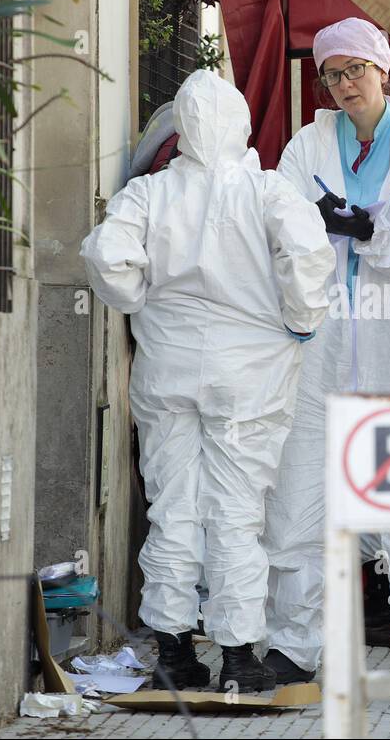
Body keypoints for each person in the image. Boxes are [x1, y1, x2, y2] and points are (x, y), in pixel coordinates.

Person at [80, 69, 335, 693]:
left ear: (182, 129)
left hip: (166, 369)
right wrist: (299, 325)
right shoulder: (269, 192)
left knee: (173, 510)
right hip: (250, 377)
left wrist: (141, 299)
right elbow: (307, 259)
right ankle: (240, 657)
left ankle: (172, 653)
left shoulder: (149, 194)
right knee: (237, 515)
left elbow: (105, 257)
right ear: (242, 123)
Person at [263, 18, 390, 680]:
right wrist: (318, 245)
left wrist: (369, 232)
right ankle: (295, 647)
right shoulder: (306, 144)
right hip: (319, 349)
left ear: (383, 70)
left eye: (356, 69)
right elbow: (280, 235)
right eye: (332, 73)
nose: (346, 84)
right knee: (299, 500)